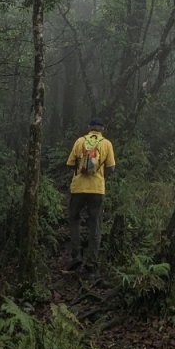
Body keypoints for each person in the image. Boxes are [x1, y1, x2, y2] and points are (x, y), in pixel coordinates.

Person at [66, 119, 116, 280]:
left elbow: (70, 164)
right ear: (102, 129)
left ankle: (76, 255)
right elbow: (112, 167)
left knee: (74, 218)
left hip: (78, 188)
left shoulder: (80, 141)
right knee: (95, 225)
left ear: (89, 128)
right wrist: (100, 174)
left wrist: (81, 168)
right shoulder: (106, 143)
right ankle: (91, 265)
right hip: (97, 189)